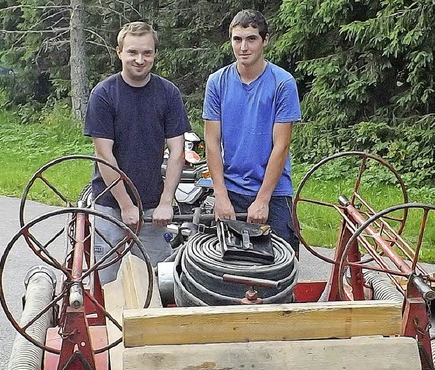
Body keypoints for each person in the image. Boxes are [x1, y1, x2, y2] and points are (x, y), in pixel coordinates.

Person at [84, 21, 191, 284]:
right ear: (119, 52)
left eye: (147, 53)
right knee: (107, 285)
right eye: (132, 52)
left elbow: (177, 151)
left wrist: (166, 201)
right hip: (110, 206)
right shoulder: (104, 95)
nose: (140, 60)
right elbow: (104, 156)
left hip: (152, 207)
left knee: (157, 283)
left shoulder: (168, 94)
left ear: (155, 54)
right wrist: (125, 205)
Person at [203, 9, 302, 249]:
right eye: (237, 39)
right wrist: (221, 195)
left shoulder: (283, 83)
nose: (243, 47)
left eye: (251, 39)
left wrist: (263, 199)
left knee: (279, 266)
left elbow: (282, 145)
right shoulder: (217, 82)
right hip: (231, 189)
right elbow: (212, 142)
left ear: (265, 40)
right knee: (225, 269)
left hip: (274, 192)